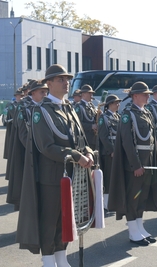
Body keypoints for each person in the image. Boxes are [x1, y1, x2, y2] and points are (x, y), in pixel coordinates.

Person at [16, 64, 94, 267]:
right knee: (50, 219)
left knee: (65, 218)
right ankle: (48, 259)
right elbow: (46, 146)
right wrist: (76, 155)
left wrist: (88, 152)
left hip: (71, 174)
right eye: (60, 79)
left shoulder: (68, 108)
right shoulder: (41, 111)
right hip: (52, 177)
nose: (66, 83)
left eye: (67, 79)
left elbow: (80, 138)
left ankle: (61, 256)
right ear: (48, 83)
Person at [108, 82, 157, 247]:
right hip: (135, 164)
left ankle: (140, 228)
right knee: (133, 198)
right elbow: (127, 142)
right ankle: (133, 231)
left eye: (148, 94)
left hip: (147, 161)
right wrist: (136, 165)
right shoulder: (128, 114)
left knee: (142, 197)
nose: (148, 96)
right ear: (135, 96)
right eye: (144, 94)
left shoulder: (146, 113)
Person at [6, 80, 48, 211]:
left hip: (44, 151)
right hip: (28, 152)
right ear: (33, 93)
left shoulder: (46, 106)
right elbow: (23, 134)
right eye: (42, 92)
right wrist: (35, 148)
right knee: (27, 184)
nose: (45, 95)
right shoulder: (24, 106)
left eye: (46, 92)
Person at [97, 94, 121, 210]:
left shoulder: (118, 116)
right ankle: (106, 202)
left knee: (115, 176)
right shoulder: (104, 118)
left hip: (117, 150)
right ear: (110, 104)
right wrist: (111, 150)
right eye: (116, 103)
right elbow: (103, 136)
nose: (118, 105)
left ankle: (114, 200)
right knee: (108, 177)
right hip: (109, 152)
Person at [74, 84, 97, 149]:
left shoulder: (91, 105)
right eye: (89, 93)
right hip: (85, 139)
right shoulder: (79, 106)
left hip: (94, 138)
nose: (91, 95)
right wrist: (91, 126)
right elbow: (78, 123)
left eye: (92, 93)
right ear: (83, 94)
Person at [3, 89, 23, 160]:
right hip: (13, 127)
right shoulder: (12, 105)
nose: (21, 97)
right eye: (20, 95)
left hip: (19, 127)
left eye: (22, 95)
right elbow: (15, 115)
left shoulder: (23, 104)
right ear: (16, 96)